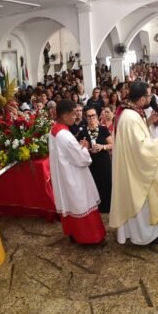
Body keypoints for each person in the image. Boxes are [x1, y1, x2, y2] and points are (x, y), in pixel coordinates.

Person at [109, 81, 158, 245]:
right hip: (136, 170)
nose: (151, 99)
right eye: (149, 96)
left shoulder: (128, 111)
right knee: (141, 202)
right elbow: (141, 148)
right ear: (142, 99)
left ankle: (136, 234)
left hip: (130, 165)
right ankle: (145, 237)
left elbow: (134, 137)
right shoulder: (130, 117)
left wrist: (148, 121)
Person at [49, 100, 106, 244]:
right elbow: (83, 159)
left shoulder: (54, 130)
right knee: (81, 204)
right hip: (74, 176)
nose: (76, 117)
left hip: (64, 175)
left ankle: (74, 234)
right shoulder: (65, 136)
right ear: (65, 115)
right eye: (73, 114)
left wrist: (78, 146)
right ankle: (91, 238)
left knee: (71, 205)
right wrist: (84, 148)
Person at [84, 106, 113, 214]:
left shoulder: (103, 129)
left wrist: (102, 147)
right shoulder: (83, 131)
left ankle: (109, 207)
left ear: (97, 116)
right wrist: (87, 149)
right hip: (91, 163)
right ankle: (98, 208)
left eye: (93, 115)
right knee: (94, 184)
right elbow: (79, 147)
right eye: (89, 116)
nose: (91, 118)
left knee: (107, 183)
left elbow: (113, 144)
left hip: (104, 161)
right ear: (85, 118)